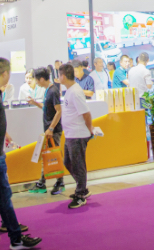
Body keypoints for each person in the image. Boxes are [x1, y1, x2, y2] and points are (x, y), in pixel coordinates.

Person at [0, 58, 41, 248]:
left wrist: (5, 134)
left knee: (1, 196)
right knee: (2, 196)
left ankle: (14, 236)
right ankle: (15, 239)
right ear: (4, 73)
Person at [59, 63, 93, 209]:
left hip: (77, 134)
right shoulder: (70, 90)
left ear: (63, 76)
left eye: (59, 75)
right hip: (70, 134)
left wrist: (90, 129)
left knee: (78, 164)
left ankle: (80, 194)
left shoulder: (76, 92)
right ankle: (82, 187)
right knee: (68, 162)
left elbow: (86, 113)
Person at [28, 67, 65, 196]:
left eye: (37, 80)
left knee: (55, 156)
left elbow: (59, 111)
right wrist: (35, 103)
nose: (36, 83)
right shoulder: (48, 91)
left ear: (42, 79)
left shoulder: (53, 91)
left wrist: (51, 128)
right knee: (49, 156)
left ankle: (59, 182)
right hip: (49, 130)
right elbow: (47, 108)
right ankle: (42, 183)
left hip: (53, 130)